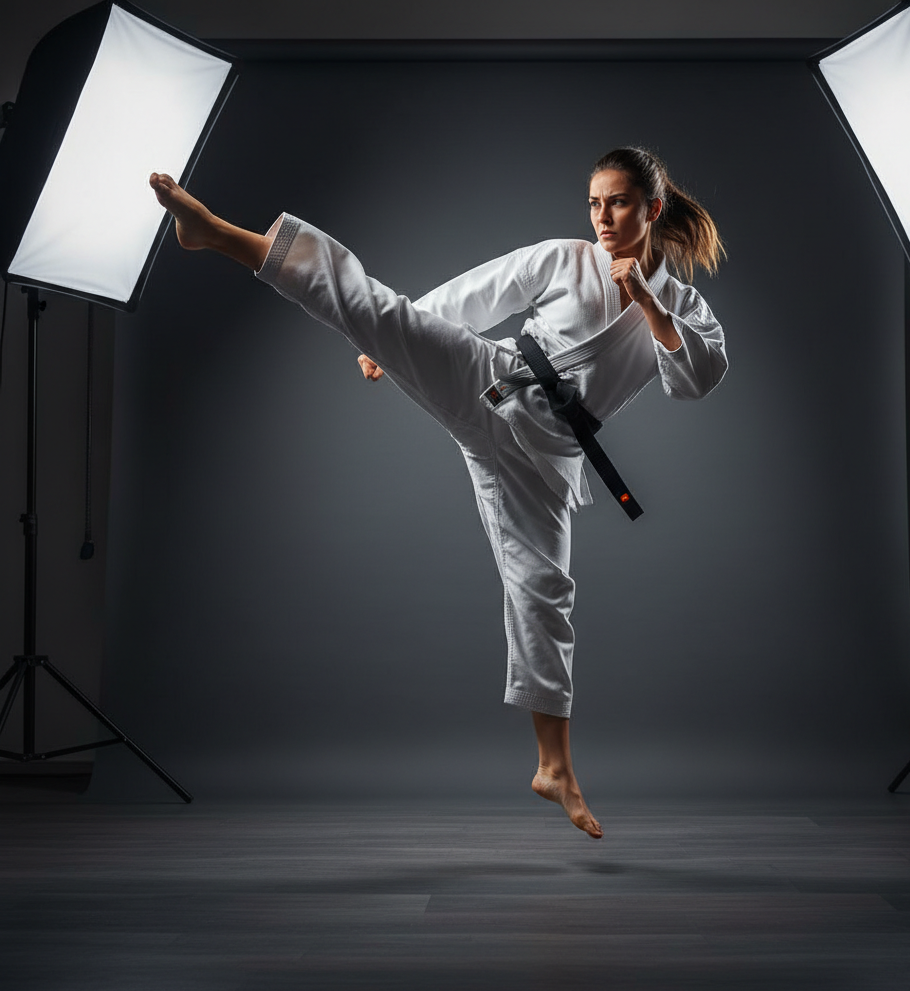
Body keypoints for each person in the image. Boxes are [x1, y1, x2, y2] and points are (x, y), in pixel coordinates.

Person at [149, 146, 727, 839]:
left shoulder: (687, 305)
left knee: (544, 592)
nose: (603, 216)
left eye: (620, 202)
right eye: (594, 201)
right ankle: (217, 232)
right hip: (490, 382)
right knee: (377, 308)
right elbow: (483, 292)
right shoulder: (564, 258)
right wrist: (395, 336)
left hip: (545, 457)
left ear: (653, 209)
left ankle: (555, 768)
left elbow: (696, 378)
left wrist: (650, 301)